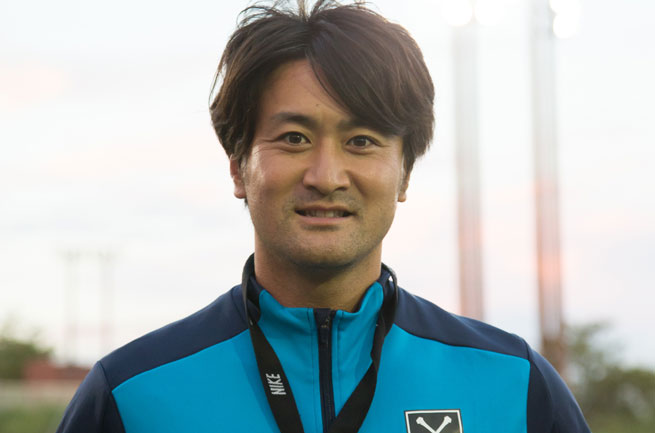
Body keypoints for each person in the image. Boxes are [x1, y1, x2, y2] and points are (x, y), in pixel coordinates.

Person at [56, 1, 591, 432]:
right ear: (238, 167)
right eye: (294, 138)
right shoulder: (131, 396)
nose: (326, 175)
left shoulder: (513, 384)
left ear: (404, 174)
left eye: (361, 141)